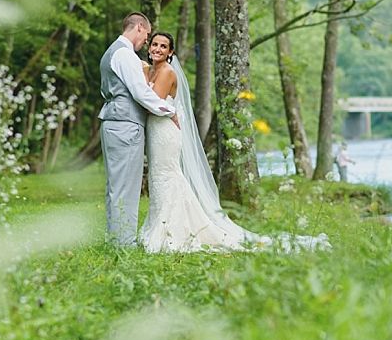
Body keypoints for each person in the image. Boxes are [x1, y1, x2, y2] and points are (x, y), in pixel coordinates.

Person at [138, 31, 328, 253]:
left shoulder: (166, 72)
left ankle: (172, 230)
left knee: (167, 176)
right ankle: (161, 225)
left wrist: (142, 77)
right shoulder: (153, 70)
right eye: (155, 45)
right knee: (159, 176)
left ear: (170, 52)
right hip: (156, 131)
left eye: (163, 46)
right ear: (149, 46)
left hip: (165, 134)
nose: (157, 49)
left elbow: (152, 102)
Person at [98, 12, 178, 246]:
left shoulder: (111, 52)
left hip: (113, 121)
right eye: (148, 35)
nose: (147, 41)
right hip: (125, 125)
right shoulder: (125, 54)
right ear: (140, 28)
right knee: (126, 186)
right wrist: (169, 111)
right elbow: (140, 93)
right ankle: (124, 242)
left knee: (116, 185)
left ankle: (116, 238)